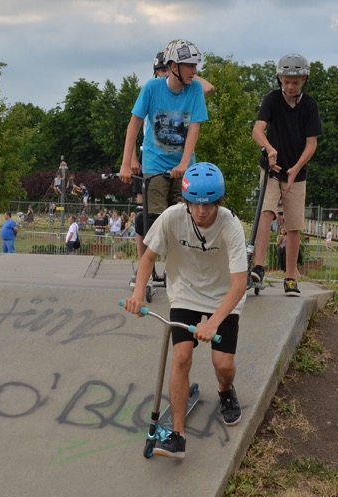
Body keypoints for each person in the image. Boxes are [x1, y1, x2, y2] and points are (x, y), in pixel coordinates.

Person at [122, 162, 248, 459]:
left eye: (208, 205)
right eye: (194, 204)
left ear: (218, 202)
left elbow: (240, 284)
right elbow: (148, 257)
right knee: (181, 357)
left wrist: (214, 322)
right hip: (185, 294)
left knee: (223, 365)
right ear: (186, 201)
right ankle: (177, 436)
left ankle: (225, 391)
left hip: (223, 296)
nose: (201, 212)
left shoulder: (231, 226)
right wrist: (138, 292)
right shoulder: (171, 217)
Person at [120, 40, 209, 274]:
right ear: (173, 66)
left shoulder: (195, 90)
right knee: (154, 219)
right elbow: (134, 125)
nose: (194, 71)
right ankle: (146, 270)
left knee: (184, 218)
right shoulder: (152, 88)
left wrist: (184, 163)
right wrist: (126, 163)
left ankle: (178, 269)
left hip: (183, 164)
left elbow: (194, 129)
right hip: (155, 162)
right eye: (189, 66)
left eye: (195, 65)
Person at [250, 53, 323, 297]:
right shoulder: (271, 99)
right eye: (286, 81)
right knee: (266, 211)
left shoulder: (310, 105)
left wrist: (296, 168)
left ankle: (290, 277)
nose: (290, 86)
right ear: (280, 78)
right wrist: (270, 150)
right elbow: (258, 130)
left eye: (295, 81)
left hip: (296, 171)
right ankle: (258, 267)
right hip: (272, 168)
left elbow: (311, 144)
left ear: (304, 80)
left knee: (293, 225)